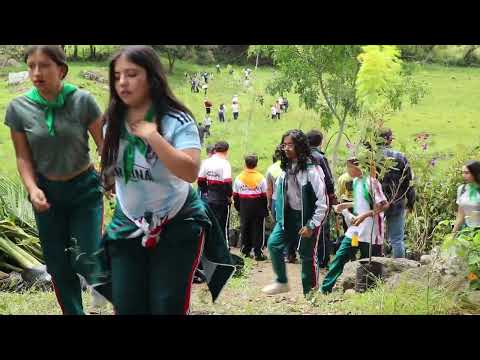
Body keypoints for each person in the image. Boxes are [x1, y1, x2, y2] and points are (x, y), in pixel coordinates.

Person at [100, 46, 233, 315]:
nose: (123, 82)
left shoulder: (177, 120)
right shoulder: (112, 122)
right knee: (126, 303)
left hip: (177, 222)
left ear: (151, 77)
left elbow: (190, 171)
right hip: (129, 222)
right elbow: (114, 172)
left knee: (166, 305)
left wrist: (153, 137)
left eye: (131, 74)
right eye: (117, 76)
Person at [4, 45, 112, 315]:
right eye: (31, 66)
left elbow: (104, 145)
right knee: (58, 266)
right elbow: (23, 157)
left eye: (44, 66)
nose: (36, 72)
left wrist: (111, 176)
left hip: (84, 191)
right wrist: (31, 188)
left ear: (61, 70)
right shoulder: (18, 107)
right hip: (46, 194)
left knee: (87, 257)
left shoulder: (83, 100)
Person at [262, 130, 328, 296]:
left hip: (307, 218)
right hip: (288, 217)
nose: (286, 149)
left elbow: (323, 202)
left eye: (290, 145)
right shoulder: (285, 168)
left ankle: (311, 293)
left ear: (300, 146)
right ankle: (282, 281)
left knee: (307, 256)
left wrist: (311, 225)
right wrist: (278, 215)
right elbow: (280, 194)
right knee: (273, 244)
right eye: (284, 145)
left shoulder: (312, 170)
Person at [320, 158, 389, 294]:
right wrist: (346, 205)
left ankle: (371, 292)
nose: (347, 170)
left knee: (370, 261)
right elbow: (361, 203)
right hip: (356, 232)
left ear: (358, 168)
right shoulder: (357, 182)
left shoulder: (372, 182)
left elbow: (384, 205)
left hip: (371, 233)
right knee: (342, 255)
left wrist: (364, 216)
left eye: (349, 167)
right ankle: (325, 288)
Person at [377, 128, 415, 258]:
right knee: (397, 239)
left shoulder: (370, 158)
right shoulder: (400, 157)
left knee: (375, 238)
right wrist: (410, 202)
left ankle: (376, 268)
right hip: (396, 202)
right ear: (388, 140)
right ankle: (400, 271)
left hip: (375, 203)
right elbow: (408, 181)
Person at [307, 129, 338, 269]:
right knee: (323, 227)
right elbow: (328, 181)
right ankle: (323, 259)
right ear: (320, 142)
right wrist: (332, 197)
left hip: (306, 199)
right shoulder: (319, 158)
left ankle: (309, 257)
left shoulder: (302, 156)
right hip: (320, 198)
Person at [233, 154, 269, 261]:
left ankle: (245, 251)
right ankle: (258, 253)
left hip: (244, 207)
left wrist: (239, 208)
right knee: (258, 230)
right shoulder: (261, 178)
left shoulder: (239, 178)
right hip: (258, 208)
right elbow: (264, 196)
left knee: (245, 229)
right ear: (256, 164)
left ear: (245, 164)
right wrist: (264, 208)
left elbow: (235, 195)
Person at [197, 141, 233, 243]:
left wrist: (205, 191)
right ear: (226, 151)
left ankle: (209, 249)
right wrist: (229, 195)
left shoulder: (206, 162)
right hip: (222, 198)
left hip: (209, 197)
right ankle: (224, 249)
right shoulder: (225, 163)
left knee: (210, 223)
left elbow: (200, 179)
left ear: (215, 150)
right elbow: (227, 182)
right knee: (222, 225)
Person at [453, 160, 480, 233]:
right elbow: (460, 215)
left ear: (475, 173)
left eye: (467, 173)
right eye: (463, 172)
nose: (464, 175)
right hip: (467, 230)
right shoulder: (462, 189)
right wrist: (452, 235)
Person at [265, 146, 283, 222]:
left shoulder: (271, 169)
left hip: (276, 200)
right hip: (292, 202)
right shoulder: (292, 166)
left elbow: (269, 189)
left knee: (278, 224)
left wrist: (269, 203)